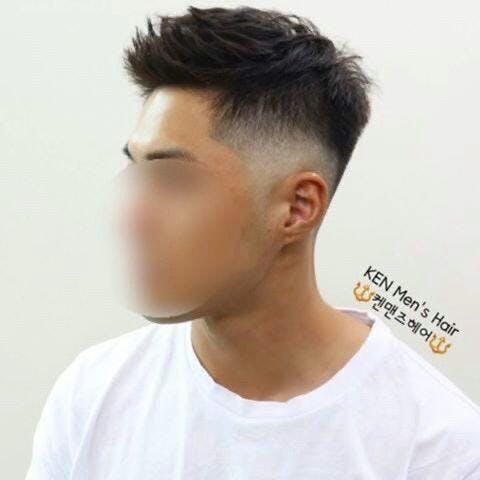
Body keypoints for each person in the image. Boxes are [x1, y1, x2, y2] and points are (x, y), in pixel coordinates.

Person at [25, 5, 480, 479]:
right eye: (136, 170)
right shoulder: (93, 396)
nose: (132, 218)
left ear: (298, 207)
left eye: (173, 180)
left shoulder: (441, 452)